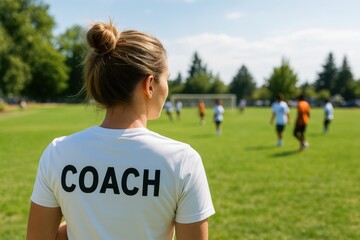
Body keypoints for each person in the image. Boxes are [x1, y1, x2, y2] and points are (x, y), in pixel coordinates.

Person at [27, 21, 215, 240]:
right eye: (167, 79)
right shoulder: (183, 161)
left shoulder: (57, 153)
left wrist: (82, 224)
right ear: (150, 85)